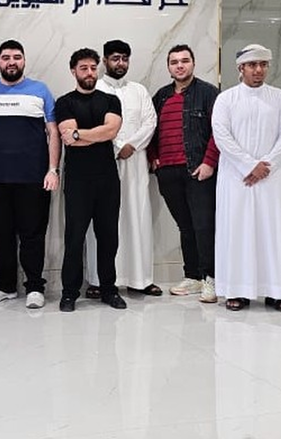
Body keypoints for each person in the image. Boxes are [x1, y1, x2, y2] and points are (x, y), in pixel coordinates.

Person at [212, 44, 281, 312]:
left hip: (271, 177)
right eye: (252, 65)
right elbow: (221, 136)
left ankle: (276, 291)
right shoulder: (226, 99)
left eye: (263, 64)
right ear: (241, 68)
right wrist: (249, 165)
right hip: (236, 178)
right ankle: (237, 290)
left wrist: (265, 165)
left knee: (272, 231)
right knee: (237, 231)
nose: (258, 70)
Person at [0, 39, 60, 309]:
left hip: (33, 179)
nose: (11, 62)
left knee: (33, 235)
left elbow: (53, 132)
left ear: (24, 60)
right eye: (6, 57)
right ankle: (5, 285)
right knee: (0, 234)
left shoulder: (40, 91)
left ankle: (34, 286)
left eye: (16, 57)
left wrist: (53, 169)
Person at [85, 40, 159, 298]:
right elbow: (92, 125)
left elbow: (150, 122)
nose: (120, 63)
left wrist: (132, 145)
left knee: (137, 217)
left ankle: (140, 278)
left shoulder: (139, 90)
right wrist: (117, 147)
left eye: (125, 59)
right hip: (104, 161)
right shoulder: (95, 89)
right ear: (105, 61)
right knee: (104, 221)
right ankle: (99, 280)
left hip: (135, 163)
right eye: (115, 58)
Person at [149, 45, 220, 303]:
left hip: (198, 170)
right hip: (168, 172)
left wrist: (209, 162)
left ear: (193, 63)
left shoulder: (208, 93)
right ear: (169, 67)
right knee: (185, 226)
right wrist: (153, 158)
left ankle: (211, 278)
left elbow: (219, 131)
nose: (180, 66)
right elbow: (151, 129)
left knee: (204, 225)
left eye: (184, 61)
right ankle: (192, 276)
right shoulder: (161, 96)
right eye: (174, 62)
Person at [55, 49, 124, 311]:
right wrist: (90, 135)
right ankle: (69, 293)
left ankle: (109, 289)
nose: (89, 73)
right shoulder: (65, 102)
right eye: (83, 68)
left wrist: (79, 134)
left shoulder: (110, 100)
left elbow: (111, 131)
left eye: (93, 68)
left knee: (109, 237)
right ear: (73, 71)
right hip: (78, 180)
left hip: (107, 179)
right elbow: (68, 137)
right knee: (74, 238)